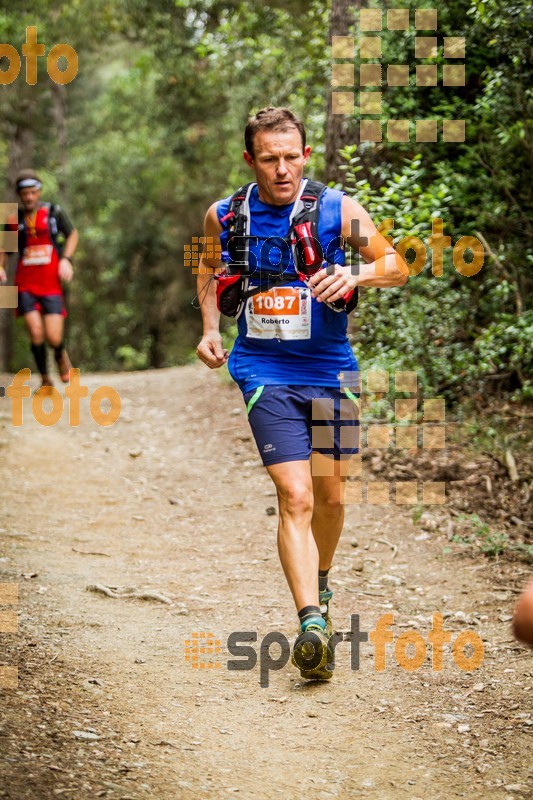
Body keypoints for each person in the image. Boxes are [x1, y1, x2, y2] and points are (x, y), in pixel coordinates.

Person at [196, 107, 408, 680]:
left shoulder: (336, 209)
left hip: (332, 372)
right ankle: (311, 623)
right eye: (269, 159)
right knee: (296, 496)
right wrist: (212, 328)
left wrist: (358, 276)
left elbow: (396, 263)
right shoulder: (225, 214)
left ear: (306, 155)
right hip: (263, 371)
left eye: (291, 157)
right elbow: (208, 267)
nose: (282, 169)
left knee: (331, 495)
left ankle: (321, 581)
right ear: (251, 160)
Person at [0, 169, 78, 391]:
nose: (29, 197)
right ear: (19, 194)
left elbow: (72, 234)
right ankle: (45, 380)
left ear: (39, 192)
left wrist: (67, 260)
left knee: (54, 336)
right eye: (25, 193)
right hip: (25, 284)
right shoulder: (13, 218)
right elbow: (5, 248)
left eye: (33, 192)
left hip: (51, 283)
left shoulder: (53, 211)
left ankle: (60, 355)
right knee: (35, 331)